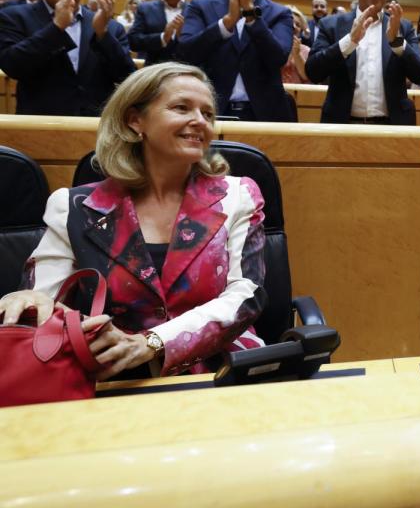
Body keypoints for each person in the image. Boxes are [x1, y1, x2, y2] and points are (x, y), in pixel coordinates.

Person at [0, 62, 267, 379]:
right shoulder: (74, 207)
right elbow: (43, 299)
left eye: (208, 113)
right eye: (181, 108)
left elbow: (246, 296)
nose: (200, 121)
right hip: (112, 376)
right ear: (134, 120)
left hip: (221, 370)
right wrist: (28, 300)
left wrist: (152, 343)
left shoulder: (238, 195)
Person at [0, 0, 135, 116]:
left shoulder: (110, 26)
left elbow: (127, 77)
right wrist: (56, 28)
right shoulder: (13, 17)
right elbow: (12, 67)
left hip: (96, 124)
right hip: (39, 123)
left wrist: (103, 35)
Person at [178, 0, 294, 122]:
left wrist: (250, 13)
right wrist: (226, 23)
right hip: (208, 114)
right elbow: (186, 55)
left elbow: (277, 58)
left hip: (265, 117)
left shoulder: (281, 13)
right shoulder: (200, 6)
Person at [305, 0, 420, 125]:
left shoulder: (403, 27)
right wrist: (349, 42)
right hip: (342, 125)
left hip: (393, 127)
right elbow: (313, 72)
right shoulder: (331, 25)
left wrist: (397, 43)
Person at [130, 0, 189, 66]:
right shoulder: (145, 8)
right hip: (154, 71)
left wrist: (183, 37)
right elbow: (133, 41)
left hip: (186, 70)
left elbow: (203, 46)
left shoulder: (195, 10)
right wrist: (162, 38)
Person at [281, 5, 310, 84]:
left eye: (298, 25)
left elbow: (305, 76)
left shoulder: (306, 50)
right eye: (290, 22)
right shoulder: (271, 45)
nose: (294, 26)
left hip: (298, 91)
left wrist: (297, 54)